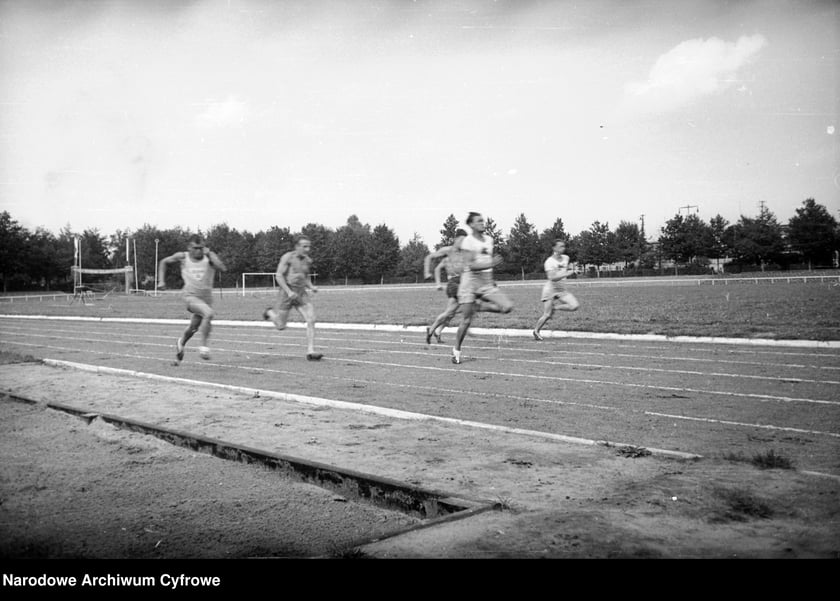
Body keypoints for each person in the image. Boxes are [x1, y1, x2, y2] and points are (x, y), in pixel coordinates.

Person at [451, 212, 513, 364]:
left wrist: (490, 275)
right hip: (470, 281)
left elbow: (486, 263)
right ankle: (456, 350)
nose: (482, 223)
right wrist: (491, 263)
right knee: (466, 321)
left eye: (483, 221)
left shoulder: (489, 240)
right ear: (471, 224)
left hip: (486, 281)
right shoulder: (468, 242)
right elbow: (470, 265)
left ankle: (478, 306)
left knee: (507, 307)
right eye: (479, 221)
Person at [157, 235, 227, 363]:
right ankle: (204, 347)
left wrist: (210, 255)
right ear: (189, 247)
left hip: (206, 299)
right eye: (195, 248)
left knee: (194, 327)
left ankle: (181, 342)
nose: (199, 251)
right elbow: (163, 262)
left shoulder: (209, 256)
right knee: (208, 314)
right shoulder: (183, 257)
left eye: (201, 248)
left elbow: (222, 268)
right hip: (190, 297)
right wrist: (161, 280)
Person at [263, 236, 323, 361]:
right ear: (297, 247)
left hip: (301, 293)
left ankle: (310, 351)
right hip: (287, 293)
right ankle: (269, 313)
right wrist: (289, 292)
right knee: (280, 326)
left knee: (311, 319)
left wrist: (311, 287)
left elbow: (305, 276)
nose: (307, 249)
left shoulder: (308, 260)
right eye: (304, 246)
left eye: (309, 246)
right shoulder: (287, 258)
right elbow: (279, 276)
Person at [423, 228, 468, 344]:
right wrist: (428, 273)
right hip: (454, 284)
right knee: (460, 309)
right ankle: (434, 330)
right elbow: (429, 258)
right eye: (462, 240)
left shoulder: (464, 253)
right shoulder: (448, 252)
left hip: (462, 284)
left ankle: (433, 330)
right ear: (456, 239)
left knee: (451, 313)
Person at [533, 239, 579, 340]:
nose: (563, 248)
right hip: (550, 289)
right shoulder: (549, 262)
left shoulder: (566, 258)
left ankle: (555, 308)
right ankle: (536, 331)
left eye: (564, 246)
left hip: (561, 289)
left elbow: (565, 267)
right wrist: (568, 273)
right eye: (560, 246)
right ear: (554, 248)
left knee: (574, 306)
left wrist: (572, 269)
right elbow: (552, 278)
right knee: (547, 314)